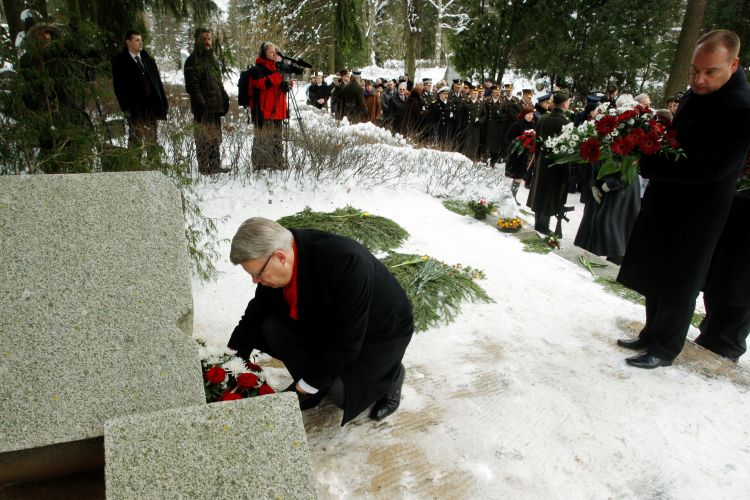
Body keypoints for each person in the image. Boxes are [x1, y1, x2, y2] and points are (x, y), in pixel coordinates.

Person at [616, 30, 750, 369]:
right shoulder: (700, 91)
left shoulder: (741, 107)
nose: (699, 79)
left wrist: (650, 164)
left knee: (680, 279)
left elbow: (712, 166)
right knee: (656, 269)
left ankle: (665, 347)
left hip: (699, 210)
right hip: (668, 198)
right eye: (694, 70)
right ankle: (651, 333)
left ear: (733, 65)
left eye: (710, 72)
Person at [226, 218, 413, 425]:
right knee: (270, 328)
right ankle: (315, 387)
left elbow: (346, 343)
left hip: (379, 333)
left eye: (258, 274)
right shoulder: (284, 251)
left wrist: (301, 389)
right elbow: (259, 307)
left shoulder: (346, 263)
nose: (255, 281)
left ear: (280, 257)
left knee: (341, 394)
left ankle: (393, 373)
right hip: (333, 325)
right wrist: (234, 356)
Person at [695, 186, 750, 362]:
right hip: (732, 242)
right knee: (719, 288)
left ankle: (729, 346)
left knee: (741, 297)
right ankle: (710, 334)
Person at [111, 30, 169, 157]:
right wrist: (127, 108)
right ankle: (134, 166)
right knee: (135, 141)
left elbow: (158, 84)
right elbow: (119, 88)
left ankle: (153, 165)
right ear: (128, 42)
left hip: (151, 108)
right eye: (137, 40)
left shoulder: (148, 60)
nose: (140, 43)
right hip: (135, 109)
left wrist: (163, 103)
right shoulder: (120, 62)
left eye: (141, 40)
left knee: (152, 141)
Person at [184, 28, 230, 175]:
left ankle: (215, 166)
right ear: (197, 40)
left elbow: (218, 82)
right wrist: (201, 104)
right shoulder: (193, 60)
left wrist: (224, 97)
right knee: (203, 138)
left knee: (216, 138)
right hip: (202, 108)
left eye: (209, 38)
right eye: (204, 39)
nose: (207, 42)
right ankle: (204, 168)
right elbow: (193, 86)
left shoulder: (213, 59)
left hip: (215, 107)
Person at [526, 90, 571, 236]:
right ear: (564, 104)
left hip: (542, 160)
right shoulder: (565, 122)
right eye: (568, 102)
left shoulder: (543, 118)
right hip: (556, 163)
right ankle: (543, 225)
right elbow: (567, 149)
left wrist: (538, 159)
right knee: (550, 193)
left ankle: (539, 222)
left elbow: (537, 143)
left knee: (541, 190)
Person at [247, 41, 289, 170]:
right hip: (263, 110)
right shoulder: (256, 69)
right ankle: (260, 165)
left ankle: (277, 163)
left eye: (275, 52)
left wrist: (287, 83)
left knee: (277, 138)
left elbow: (283, 86)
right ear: (263, 53)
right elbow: (262, 84)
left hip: (278, 110)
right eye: (271, 52)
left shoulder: (278, 68)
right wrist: (278, 75)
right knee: (262, 139)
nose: (274, 54)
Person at [504, 106, 535, 204]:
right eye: (528, 114)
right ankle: (507, 196)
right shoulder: (516, 124)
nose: (530, 116)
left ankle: (513, 196)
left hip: (525, 156)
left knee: (520, 177)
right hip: (515, 155)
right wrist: (519, 141)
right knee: (513, 175)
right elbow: (508, 138)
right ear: (524, 114)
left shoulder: (532, 125)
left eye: (532, 114)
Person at [461, 86, 486, 161]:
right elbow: (462, 115)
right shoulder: (466, 102)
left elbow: (485, 114)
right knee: (466, 143)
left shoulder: (481, 103)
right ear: (470, 93)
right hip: (467, 126)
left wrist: (480, 121)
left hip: (476, 127)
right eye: (473, 93)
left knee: (474, 143)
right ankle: (465, 159)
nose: (475, 94)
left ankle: (473, 159)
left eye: (476, 93)